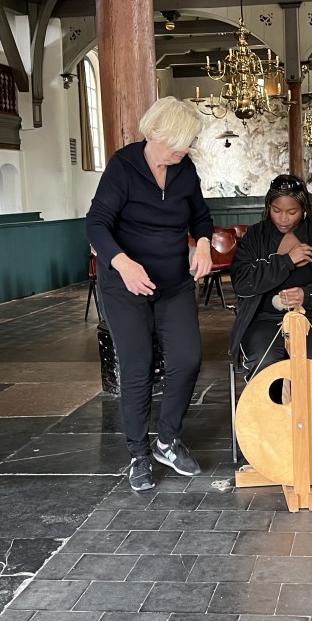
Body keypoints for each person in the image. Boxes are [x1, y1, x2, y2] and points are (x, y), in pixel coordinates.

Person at [87, 96, 214, 492]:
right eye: (179, 142)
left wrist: (205, 244)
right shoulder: (124, 167)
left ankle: (166, 441)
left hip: (173, 283)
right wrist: (122, 263)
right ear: (157, 134)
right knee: (137, 367)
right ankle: (139, 454)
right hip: (126, 284)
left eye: (189, 143)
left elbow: (201, 215)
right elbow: (96, 224)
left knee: (188, 358)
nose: (184, 150)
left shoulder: (184, 169)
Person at [230, 174, 312, 380]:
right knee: (264, 362)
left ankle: (310, 412)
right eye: (276, 211)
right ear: (268, 207)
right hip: (263, 319)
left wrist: (307, 296)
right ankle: (271, 413)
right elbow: (241, 282)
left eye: (292, 212)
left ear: (304, 210)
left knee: (309, 363)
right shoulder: (256, 237)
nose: (283, 219)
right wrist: (287, 261)